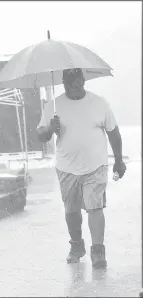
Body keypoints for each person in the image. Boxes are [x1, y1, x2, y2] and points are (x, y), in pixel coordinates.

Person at [36, 68, 126, 268]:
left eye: (79, 84)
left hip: (96, 166)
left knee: (95, 207)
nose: (76, 89)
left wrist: (119, 160)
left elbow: (113, 133)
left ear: (83, 81)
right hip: (67, 167)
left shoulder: (99, 103)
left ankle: (98, 251)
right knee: (72, 210)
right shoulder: (54, 106)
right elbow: (41, 135)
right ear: (64, 84)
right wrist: (51, 128)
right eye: (71, 86)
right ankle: (77, 246)